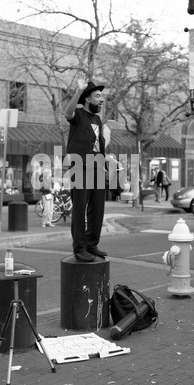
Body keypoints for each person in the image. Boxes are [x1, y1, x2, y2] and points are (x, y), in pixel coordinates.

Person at [64, 72, 121, 262]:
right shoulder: (79, 114)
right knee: (80, 209)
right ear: (87, 98)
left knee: (97, 208)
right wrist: (78, 90)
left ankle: (91, 244)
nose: (101, 99)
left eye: (101, 96)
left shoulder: (96, 120)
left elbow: (97, 145)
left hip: (96, 167)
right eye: (98, 96)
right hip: (80, 166)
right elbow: (67, 113)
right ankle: (79, 248)